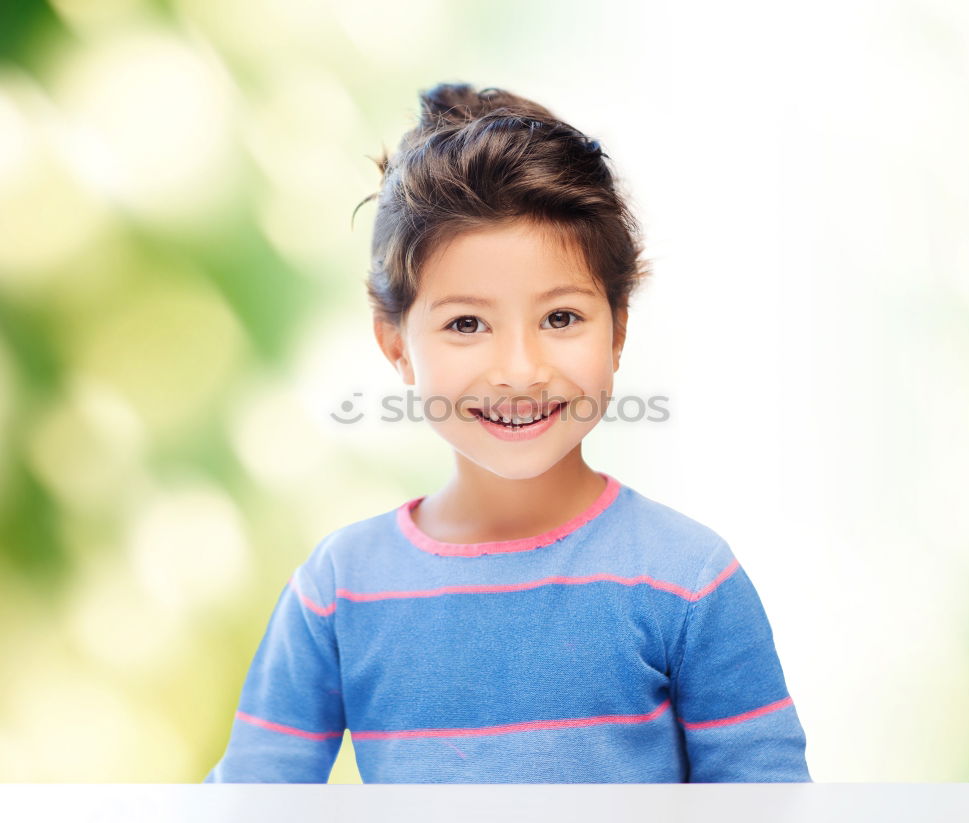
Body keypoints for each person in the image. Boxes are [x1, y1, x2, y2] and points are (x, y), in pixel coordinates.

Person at [205, 82, 812, 784]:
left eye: (560, 318)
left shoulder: (689, 580)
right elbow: (253, 794)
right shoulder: (341, 590)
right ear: (397, 344)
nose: (520, 371)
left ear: (618, 329)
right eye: (466, 324)